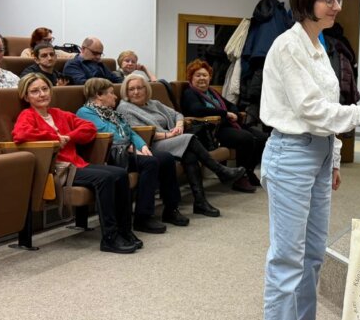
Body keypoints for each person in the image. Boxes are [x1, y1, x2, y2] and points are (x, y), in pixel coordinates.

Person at [258, 0, 360, 320]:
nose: (336, 6)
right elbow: (310, 109)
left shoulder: (320, 45)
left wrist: (332, 160)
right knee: (287, 255)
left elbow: (327, 108)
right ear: (306, 3)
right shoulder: (288, 45)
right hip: (291, 153)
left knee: (313, 253)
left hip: (316, 153)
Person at [12, 73, 140, 254]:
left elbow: (89, 128)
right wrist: (54, 138)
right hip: (57, 169)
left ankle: (125, 231)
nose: (41, 94)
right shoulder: (27, 115)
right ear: (26, 97)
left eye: (44, 89)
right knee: (104, 178)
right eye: (34, 91)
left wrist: (68, 137)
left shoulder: (58, 114)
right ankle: (110, 238)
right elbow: (20, 135)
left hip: (76, 164)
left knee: (120, 174)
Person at [117, 71, 243, 217]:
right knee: (190, 139)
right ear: (126, 92)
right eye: (131, 89)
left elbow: (177, 114)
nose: (136, 92)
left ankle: (200, 202)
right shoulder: (125, 108)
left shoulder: (154, 103)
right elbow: (137, 132)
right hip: (149, 145)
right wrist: (168, 135)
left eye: (140, 88)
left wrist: (179, 125)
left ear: (146, 89)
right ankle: (220, 170)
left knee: (190, 155)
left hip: (171, 139)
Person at [76, 77, 186, 233]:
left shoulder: (111, 112)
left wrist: (142, 146)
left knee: (166, 158)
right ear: (99, 95)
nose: (115, 96)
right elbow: (109, 133)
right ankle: (143, 217)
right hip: (109, 155)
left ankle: (171, 209)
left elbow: (130, 131)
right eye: (111, 93)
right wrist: (131, 146)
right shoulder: (85, 112)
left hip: (125, 151)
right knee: (150, 163)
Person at [181, 59, 266, 193]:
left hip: (227, 125)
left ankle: (248, 170)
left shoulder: (212, 92)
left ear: (210, 77)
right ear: (191, 78)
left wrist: (235, 113)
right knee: (245, 138)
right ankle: (240, 177)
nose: (202, 78)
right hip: (211, 130)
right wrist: (225, 113)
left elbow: (230, 105)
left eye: (205, 75)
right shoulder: (189, 93)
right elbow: (197, 110)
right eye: (198, 75)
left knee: (262, 138)